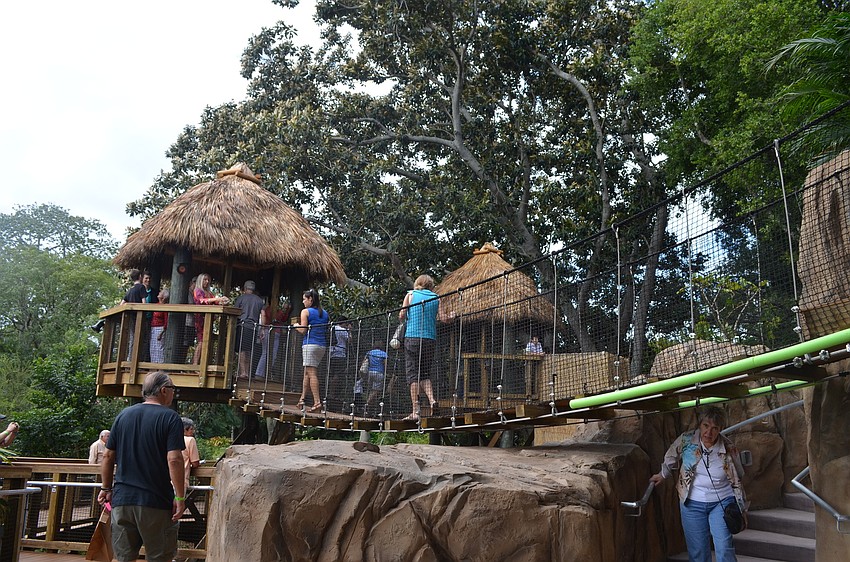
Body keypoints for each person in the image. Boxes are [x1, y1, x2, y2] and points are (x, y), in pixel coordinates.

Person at [98, 372, 186, 562]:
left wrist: (106, 488)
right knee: (159, 557)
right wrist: (180, 497)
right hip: (155, 502)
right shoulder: (170, 418)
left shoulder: (123, 415)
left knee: (124, 558)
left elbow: (107, 455)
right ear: (164, 390)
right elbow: (174, 460)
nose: (174, 393)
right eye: (173, 389)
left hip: (122, 501)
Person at [649, 406, 747, 562]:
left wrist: (741, 506)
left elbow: (738, 475)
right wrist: (663, 474)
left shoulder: (728, 447)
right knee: (698, 551)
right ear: (700, 424)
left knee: (724, 548)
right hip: (692, 502)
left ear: (720, 429)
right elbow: (672, 455)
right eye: (706, 426)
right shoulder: (687, 440)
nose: (709, 432)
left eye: (715, 428)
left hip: (722, 502)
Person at [399, 274, 448, 420]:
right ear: (430, 285)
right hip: (429, 339)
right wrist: (452, 315)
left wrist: (405, 315)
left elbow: (401, 315)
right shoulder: (436, 298)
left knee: (413, 375)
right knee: (425, 373)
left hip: (412, 338)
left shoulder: (411, 294)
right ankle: (432, 401)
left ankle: (416, 410)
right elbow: (444, 318)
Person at [295, 289, 329, 412]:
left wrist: (295, 326)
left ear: (310, 299)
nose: (303, 301)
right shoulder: (325, 313)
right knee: (307, 372)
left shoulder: (305, 312)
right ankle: (302, 399)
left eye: (304, 299)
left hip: (310, 344)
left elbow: (303, 330)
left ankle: (317, 402)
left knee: (312, 373)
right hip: (321, 346)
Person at [192, 273, 230, 364]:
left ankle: (203, 363)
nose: (207, 281)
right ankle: (195, 364)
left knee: (206, 341)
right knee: (201, 341)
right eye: (205, 279)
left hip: (208, 320)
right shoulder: (198, 290)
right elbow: (202, 301)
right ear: (200, 280)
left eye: (208, 280)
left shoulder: (209, 293)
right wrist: (217, 299)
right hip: (200, 319)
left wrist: (223, 301)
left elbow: (215, 302)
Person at [233, 281, 265, 379]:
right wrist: (262, 328)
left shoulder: (241, 298)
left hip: (243, 325)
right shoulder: (259, 300)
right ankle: (247, 372)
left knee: (242, 349)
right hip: (254, 328)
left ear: (245, 288)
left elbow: (235, 311)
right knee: (249, 350)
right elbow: (263, 314)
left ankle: (243, 372)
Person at [255, 299, 292, 380]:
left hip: (276, 333)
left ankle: (267, 374)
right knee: (265, 353)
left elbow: (283, 319)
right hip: (268, 331)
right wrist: (284, 309)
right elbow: (276, 318)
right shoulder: (269, 309)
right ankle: (259, 374)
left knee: (273, 355)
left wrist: (287, 310)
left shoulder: (276, 310)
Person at [328, 318, 351, 408]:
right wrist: (349, 330)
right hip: (340, 354)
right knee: (338, 374)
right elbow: (349, 340)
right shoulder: (342, 330)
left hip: (331, 353)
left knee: (332, 373)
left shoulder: (332, 328)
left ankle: (331, 393)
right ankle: (332, 394)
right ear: (344, 323)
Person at [359, 346, 388, 412]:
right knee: (375, 390)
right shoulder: (383, 353)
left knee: (370, 389)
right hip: (379, 373)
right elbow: (385, 364)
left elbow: (364, 362)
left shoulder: (370, 352)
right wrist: (386, 372)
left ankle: (368, 406)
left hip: (370, 372)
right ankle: (367, 403)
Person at [181, 417, 201, 494]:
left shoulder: (169, 439)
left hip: (166, 480)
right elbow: (195, 463)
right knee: (178, 501)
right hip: (181, 480)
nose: (193, 431)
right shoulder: (190, 440)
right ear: (185, 429)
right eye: (191, 429)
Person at [149, 289, 169, 363]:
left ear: (163, 297)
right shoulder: (156, 304)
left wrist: (161, 333)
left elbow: (166, 321)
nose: (159, 292)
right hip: (153, 328)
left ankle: (160, 365)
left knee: (159, 348)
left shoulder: (165, 307)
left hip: (160, 328)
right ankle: (153, 365)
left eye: (161, 292)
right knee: (152, 347)